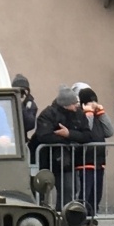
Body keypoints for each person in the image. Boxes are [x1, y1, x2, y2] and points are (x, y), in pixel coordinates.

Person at [33, 86, 94, 214]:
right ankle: (42, 219)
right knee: (41, 193)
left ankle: (64, 220)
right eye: (73, 103)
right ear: (65, 105)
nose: (76, 106)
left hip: (66, 162)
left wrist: (68, 134)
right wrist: (68, 139)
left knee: (68, 190)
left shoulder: (79, 114)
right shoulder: (48, 114)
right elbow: (43, 135)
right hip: (45, 161)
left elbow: (87, 135)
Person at [71, 84, 113, 226]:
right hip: (84, 162)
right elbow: (85, 133)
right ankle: (79, 224)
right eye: (90, 101)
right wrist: (88, 113)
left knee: (96, 196)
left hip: (99, 161)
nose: (93, 104)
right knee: (84, 196)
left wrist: (101, 113)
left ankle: (91, 224)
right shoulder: (80, 116)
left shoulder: (97, 117)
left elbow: (109, 131)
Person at [10, 74, 38, 142]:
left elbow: (30, 124)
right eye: (19, 90)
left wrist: (21, 106)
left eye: (23, 91)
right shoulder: (8, 101)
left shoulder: (30, 104)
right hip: (9, 138)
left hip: (21, 140)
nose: (21, 93)